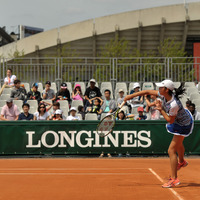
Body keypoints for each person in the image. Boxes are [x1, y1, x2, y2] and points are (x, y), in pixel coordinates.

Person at [124, 79, 194, 188]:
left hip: (183, 124)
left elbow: (169, 120)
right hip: (179, 120)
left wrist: (161, 109)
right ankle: (182, 162)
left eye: (161, 87)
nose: (158, 89)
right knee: (178, 143)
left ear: (166, 90)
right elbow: (146, 92)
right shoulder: (163, 95)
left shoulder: (174, 104)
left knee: (171, 149)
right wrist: (130, 96)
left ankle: (174, 179)